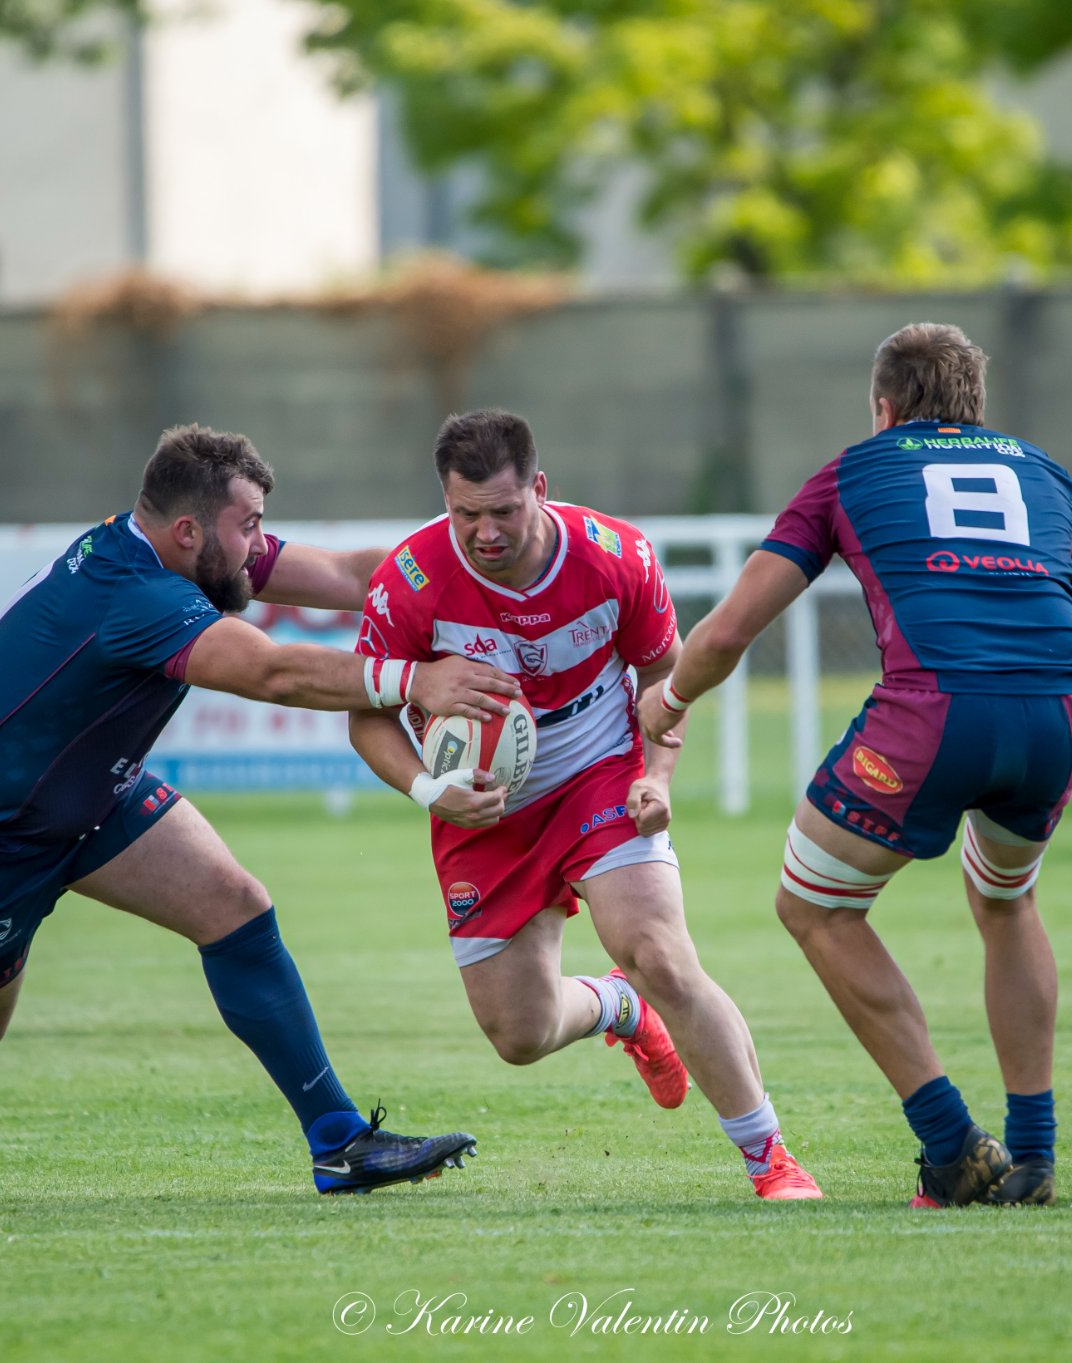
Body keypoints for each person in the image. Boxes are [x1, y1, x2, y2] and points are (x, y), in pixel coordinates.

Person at [0, 424, 519, 1200]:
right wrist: (417, 680)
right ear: (188, 532)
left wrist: (498, 557)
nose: (258, 546)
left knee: (236, 907)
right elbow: (275, 672)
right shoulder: (138, 594)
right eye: (247, 527)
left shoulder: (177, 549)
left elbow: (355, 576)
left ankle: (340, 1142)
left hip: (85, 797)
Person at [639, 324, 1072, 1209]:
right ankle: (1033, 1150)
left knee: (815, 906)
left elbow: (725, 633)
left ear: (885, 407)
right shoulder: (1044, 469)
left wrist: (668, 702)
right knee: (1006, 899)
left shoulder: (853, 470)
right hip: (1059, 718)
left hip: (932, 714)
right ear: (974, 405)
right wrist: (1029, 689)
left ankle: (951, 1146)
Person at [346, 408, 823, 1201]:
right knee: (519, 1033)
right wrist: (433, 790)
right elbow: (366, 716)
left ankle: (769, 1155)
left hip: (599, 773)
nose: (485, 533)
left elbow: (666, 683)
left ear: (540, 487)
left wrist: (656, 778)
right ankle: (618, 1006)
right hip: (484, 811)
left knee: (662, 952)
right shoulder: (413, 579)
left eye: (503, 510)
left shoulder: (615, 557)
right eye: (466, 514)